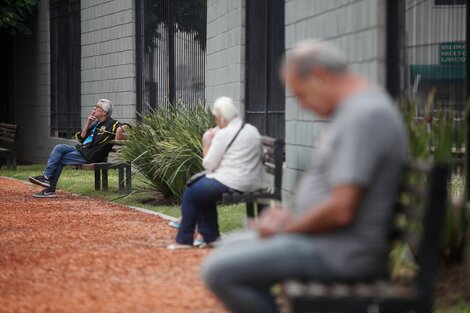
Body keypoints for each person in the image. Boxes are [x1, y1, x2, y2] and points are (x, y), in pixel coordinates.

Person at [201, 40, 409, 313]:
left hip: (342, 251)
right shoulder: (357, 111)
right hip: (328, 241)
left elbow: (342, 210)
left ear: (320, 76)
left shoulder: (364, 116)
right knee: (228, 249)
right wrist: (291, 218)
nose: (301, 106)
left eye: (300, 95)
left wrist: (286, 227)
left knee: (219, 270)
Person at [167, 96, 264, 250]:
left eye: (216, 118)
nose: (216, 121)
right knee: (202, 193)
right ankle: (211, 238)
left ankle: (184, 240)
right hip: (253, 180)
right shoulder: (252, 130)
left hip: (233, 181)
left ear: (222, 117)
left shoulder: (224, 134)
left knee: (191, 192)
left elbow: (208, 164)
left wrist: (206, 144)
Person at [29, 99, 123, 198]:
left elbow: (126, 126)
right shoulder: (96, 124)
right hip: (82, 150)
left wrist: (121, 128)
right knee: (59, 147)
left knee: (60, 159)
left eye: (97, 107)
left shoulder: (113, 124)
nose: (94, 109)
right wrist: (88, 122)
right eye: (95, 106)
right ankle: (46, 178)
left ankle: (49, 186)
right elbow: (81, 138)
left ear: (104, 112)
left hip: (91, 154)